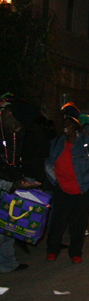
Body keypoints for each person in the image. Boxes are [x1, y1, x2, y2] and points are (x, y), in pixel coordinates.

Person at [44, 113, 89, 262]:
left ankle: (75, 252)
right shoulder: (57, 142)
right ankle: (52, 250)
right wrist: (55, 179)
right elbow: (48, 161)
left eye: (68, 125)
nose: (65, 127)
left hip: (83, 188)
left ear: (75, 128)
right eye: (63, 124)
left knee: (78, 222)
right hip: (62, 188)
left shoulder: (87, 142)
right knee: (57, 221)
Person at [0, 100, 42, 273]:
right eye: (17, 125)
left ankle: (7, 264)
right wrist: (12, 184)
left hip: (6, 186)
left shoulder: (12, 132)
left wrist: (20, 179)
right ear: (8, 114)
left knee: (7, 226)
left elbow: (12, 161)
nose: (18, 130)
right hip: (4, 184)